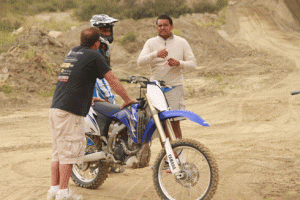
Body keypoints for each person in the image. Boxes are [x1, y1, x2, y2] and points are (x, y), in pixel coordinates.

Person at [47, 27, 135, 200]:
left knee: (58, 152)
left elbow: (75, 79)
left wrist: (90, 96)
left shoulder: (73, 52)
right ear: (97, 43)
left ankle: (54, 189)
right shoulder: (94, 55)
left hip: (56, 108)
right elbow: (112, 79)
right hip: (69, 112)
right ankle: (63, 193)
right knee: (68, 153)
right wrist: (127, 99)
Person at [137, 15, 196, 141]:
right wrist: (155, 54)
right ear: (156, 27)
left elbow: (193, 64)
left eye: (165, 25)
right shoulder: (151, 43)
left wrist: (179, 63)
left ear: (171, 27)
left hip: (174, 87)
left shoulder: (181, 42)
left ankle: (179, 154)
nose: (162, 28)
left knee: (175, 122)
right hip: (156, 89)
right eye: (159, 26)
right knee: (162, 125)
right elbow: (140, 62)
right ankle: (168, 157)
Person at [89, 14, 118, 105]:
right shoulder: (94, 49)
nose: (106, 34)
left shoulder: (104, 47)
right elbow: (99, 77)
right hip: (93, 92)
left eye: (108, 31)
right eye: (104, 31)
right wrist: (109, 97)